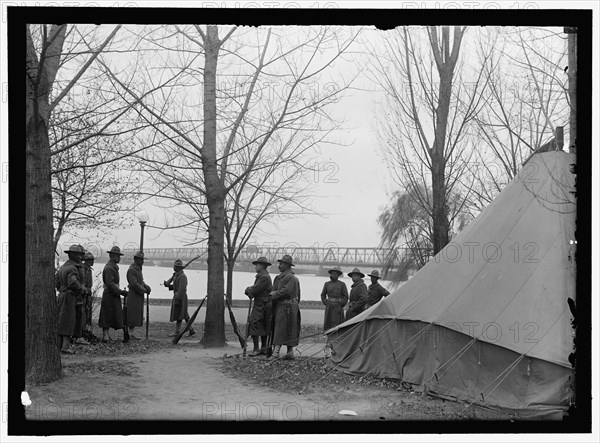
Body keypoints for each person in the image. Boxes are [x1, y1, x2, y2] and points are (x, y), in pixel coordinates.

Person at [269, 255, 301, 360]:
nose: (279, 265)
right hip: (282, 306)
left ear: (287, 265)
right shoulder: (280, 277)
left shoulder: (290, 277)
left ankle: (278, 353)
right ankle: (286, 352)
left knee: (286, 330)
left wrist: (274, 294)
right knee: (281, 328)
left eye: (281, 263)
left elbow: (286, 291)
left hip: (288, 307)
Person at [56, 244, 86, 354]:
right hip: (70, 297)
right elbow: (73, 282)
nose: (80, 257)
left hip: (63, 296)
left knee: (63, 321)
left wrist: (63, 291)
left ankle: (62, 345)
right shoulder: (73, 268)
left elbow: (57, 283)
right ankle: (65, 346)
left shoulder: (63, 267)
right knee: (68, 321)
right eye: (79, 255)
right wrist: (81, 289)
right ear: (74, 256)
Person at [98, 246, 128, 343]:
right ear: (112, 256)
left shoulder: (113, 267)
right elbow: (110, 284)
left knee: (113, 314)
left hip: (113, 294)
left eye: (119, 256)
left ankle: (107, 336)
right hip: (109, 294)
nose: (119, 258)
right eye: (117, 256)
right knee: (106, 315)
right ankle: (105, 336)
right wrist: (121, 292)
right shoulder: (109, 268)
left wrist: (119, 291)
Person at [244, 256, 273, 356]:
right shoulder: (263, 276)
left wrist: (248, 290)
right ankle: (263, 348)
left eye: (257, 265)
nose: (255, 267)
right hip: (263, 304)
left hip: (261, 304)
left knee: (255, 324)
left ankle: (257, 349)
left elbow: (256, 290)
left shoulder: (264, 277)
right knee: (262, 325)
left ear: (261, 266)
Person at [126, 251, 151, 340]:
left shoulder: (138, 270)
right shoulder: (131, 270)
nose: (142, 261)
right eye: (141, 259)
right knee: (132, 314)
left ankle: (131, 333)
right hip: (133, 295)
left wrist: (146, 286)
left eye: (142, 259)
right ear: (136, 259)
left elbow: (140, 282)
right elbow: (134, 284)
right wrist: (143, 290)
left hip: (138, 296)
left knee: (136, 314)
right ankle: (128, 333)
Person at [167, 259, 195, 337]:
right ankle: (191, 329)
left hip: (180, 297)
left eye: (175, 266)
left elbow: (182, 289)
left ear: (178, 268)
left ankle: (177, 331)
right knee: (183, 314)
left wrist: (177, 299)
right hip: (177, 296)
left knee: (180, 314)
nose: (174, 267)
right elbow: (176, 286)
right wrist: (169, 284)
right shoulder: (177, 276)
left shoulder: (182, 277)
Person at [320, 266, 348, 332]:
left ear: (338, 275)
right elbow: (323, 295)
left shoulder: (342, 284)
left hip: (338, 306)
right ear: (331, 274)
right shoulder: (327, 284)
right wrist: (326, 303)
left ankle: (338, 336)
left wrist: (341, 304)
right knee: (328, 323)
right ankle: (328, 335)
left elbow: (345, 296)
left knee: (338, 323)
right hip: (329, 306)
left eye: (336, 274)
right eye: (333, 274)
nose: (334, 275)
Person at [82, 251, 95, 334]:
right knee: (84, 311)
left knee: (88, 312)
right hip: (84, 294)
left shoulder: (89, 270)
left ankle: (88, 330)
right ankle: (83, 330)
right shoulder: (83, 269)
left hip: (89, 293)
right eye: (91, 260)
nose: (93, 262)